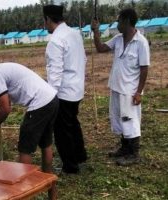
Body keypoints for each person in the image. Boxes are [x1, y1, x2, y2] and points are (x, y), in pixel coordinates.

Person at [0, 47, 59, 200]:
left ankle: (25, 193)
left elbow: (5, 109)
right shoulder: (2, 68)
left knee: (25, 149)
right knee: (46, 143)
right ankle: (50, 187)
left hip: (39, 104)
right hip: (52, 99)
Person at [91, 8, 150, 166]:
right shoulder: (118, 39)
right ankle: (124, 148)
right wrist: (96, 31)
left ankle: (134, 153)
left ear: (127, 21)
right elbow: (101, 48)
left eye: (119, 20)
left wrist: (139, 92)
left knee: (130, 120)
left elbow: (144, 68)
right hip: (116, 87)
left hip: (130, 91)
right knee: (118, 119)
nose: (117, 23)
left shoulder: (141, 42)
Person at [43, 4, 87, 174]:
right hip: (76, 88)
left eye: (44, 21)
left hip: (63, 92)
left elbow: (55, 72)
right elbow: (82, 58)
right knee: (73, 123)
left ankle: (70, 165)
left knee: (62, 130)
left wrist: (50, 96)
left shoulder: (55, 40)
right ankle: (80, 156)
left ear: (47, 19)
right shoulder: (74, 34)